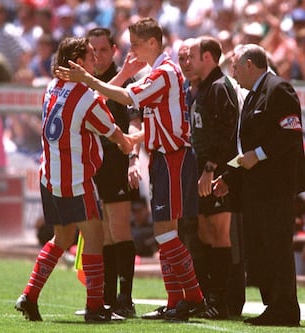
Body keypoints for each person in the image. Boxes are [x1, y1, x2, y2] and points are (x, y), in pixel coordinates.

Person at [56, 17, 206, 322]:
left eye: (136, 43)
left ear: (152, 43)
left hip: (174, 157)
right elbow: (153, 120)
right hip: (162, 156)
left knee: (165, 233)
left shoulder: (164, 73)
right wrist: (132, 140)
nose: (132, 49)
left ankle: (194, 297)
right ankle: (176, 299)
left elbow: (126, 97)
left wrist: (89, 79)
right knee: (164, 232)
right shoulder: (157, 73)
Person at [14, 36, 136, 323]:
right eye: (91, 56)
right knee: (94, 238)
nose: (96, 60)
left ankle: (29, 296)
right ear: (78, 62)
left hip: (50, 177)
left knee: (63, 237)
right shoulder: (87, 96)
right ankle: (95, 307)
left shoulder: (51, 88)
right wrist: (129, 141)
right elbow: (113, 131)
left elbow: (86, 106)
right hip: (76, 178)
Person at [215, 43, 303, 326]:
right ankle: (273, 306)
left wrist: (261, 154)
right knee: (261, 249)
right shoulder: (252, 95)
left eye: (236, 66)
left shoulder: (278, 89)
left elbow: (290, 134)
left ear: (250, 65)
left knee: (276, 246)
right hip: (255, 188)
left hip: (276, 187)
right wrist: (229, 178)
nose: (233, 72)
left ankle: (286, 309)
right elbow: (245, 149)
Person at [86, 27, 142, 318]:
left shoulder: (125, 80)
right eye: (92, 50)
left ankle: (125, 299)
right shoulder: (87, 79)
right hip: (94, 163)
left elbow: (135, 123)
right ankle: (107, 298)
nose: (97, 55)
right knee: (104, 232)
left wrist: (133, 159)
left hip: (116, 160)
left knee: (118, 228)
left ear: (114, 50)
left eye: (103, 50)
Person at [187, 36, 241, 319]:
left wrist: (212, 168)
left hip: (216, 170)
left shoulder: (221, 87)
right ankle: (209, 297)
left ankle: (222, 301)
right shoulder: (201, 88)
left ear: (208, 57)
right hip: (200, 170)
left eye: (192, 55)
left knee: (220, 234)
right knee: (204, 232)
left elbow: (228, 133)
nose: (188, 61)